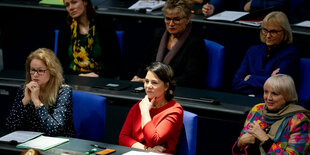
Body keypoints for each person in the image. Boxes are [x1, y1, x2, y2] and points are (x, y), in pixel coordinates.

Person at [131, 0, 208, 89]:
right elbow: (146, 63)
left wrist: (161, 83)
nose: (171, 24)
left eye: (176, 19)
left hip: (180, 90)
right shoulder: (158, 34)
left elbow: (192, 78)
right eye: (168, 19)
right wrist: (139, 78)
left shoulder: (195, 42)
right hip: (153, 87)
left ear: (187, 19)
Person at [232, 74, 310, 154]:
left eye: (275, 94)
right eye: (266, 92)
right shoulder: (257, 110)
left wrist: (265, 139)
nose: (268, 98)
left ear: (287, 96)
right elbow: (238, 149)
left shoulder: (299, 120)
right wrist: (240, 143)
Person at [6, 48, 75, 137]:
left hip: (58, 143)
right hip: (31, 142)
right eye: (33, 70)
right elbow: (10, 126)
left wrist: (36, 101)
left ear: (51, 71)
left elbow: (55, 130)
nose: (35, 74)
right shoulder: (25, 89)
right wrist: (25, 101)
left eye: (40, 71)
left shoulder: (63, 91)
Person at [119, 62, 183, 154]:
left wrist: (145, 112)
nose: (148, 86)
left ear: (166, 86)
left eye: (154, 82)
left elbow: (153, 140)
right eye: (146, 81)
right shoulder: (139, 105)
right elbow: (123, 137)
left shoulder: (174, 110)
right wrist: (146, 149)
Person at [232, 11, 299, 97]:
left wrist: (250, 78)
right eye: (265, 30)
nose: (267, 36)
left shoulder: (290, 54)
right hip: (248, 99)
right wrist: (268, 79)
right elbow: (236, 83)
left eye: (273, 32)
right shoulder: (253, 51)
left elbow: (277, 87)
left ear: (285, 32)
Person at [58, 0, 121, 78]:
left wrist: (98, 75)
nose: (70, 8)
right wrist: (79, 75)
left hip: (99, 79)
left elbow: (116, 64)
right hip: (73, 78)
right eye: (67, 5)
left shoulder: (104, 26)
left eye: (74, 2)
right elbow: (59, 65)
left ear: (85, 2)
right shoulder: (66, 28)